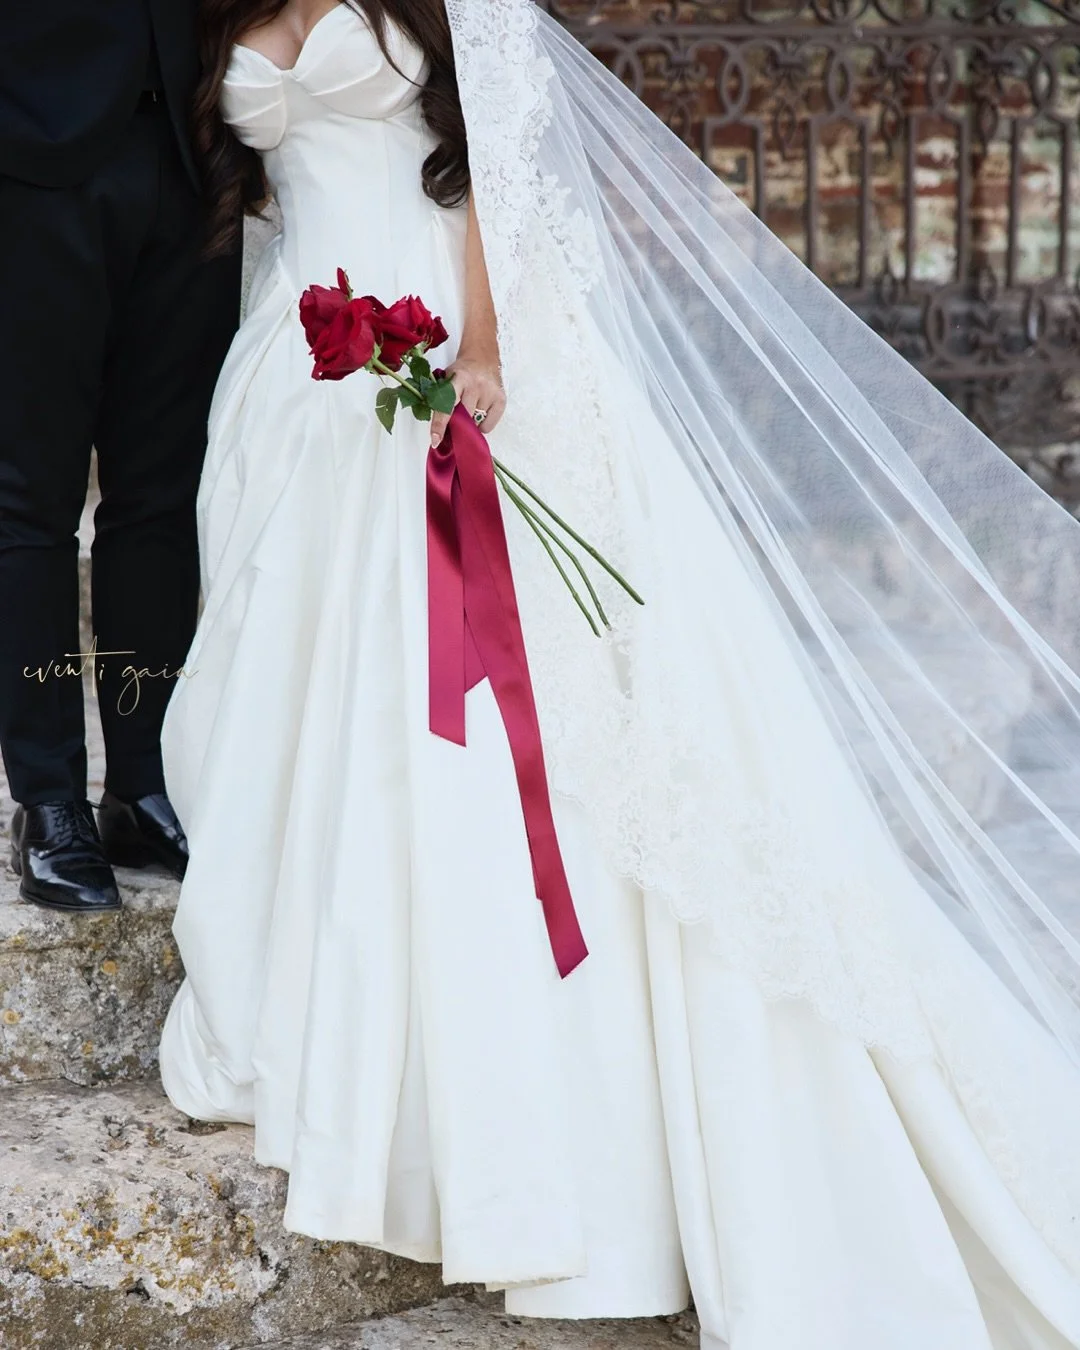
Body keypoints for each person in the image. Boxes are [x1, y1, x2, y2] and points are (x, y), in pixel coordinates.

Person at [158, 1, 1080, 1346]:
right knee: (303, 720)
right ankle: (339, 1035)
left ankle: (526, 1135)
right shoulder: (218, 10)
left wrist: (481, 346)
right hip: (298, 385)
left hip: (447, 364)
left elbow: (494, 167)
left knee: (491, 742)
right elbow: (269, 213)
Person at [0, 3, 241, 912]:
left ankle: (141, 784)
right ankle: (48, 798)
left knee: (160, 495)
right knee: (31, 500)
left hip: (190, 154)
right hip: (29, 149)